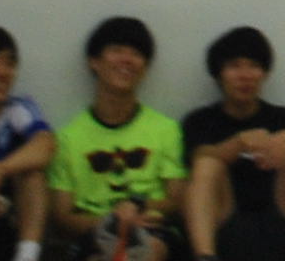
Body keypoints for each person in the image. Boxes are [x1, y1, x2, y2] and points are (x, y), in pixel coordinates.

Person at [45, 20, 184, 261]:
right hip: (95, 232)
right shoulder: (68, 138)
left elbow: (177, 198)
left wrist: (138, 207)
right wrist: (112, 221)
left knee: (146, 251)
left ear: (145, 67)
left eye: (136, 53)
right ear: (94, 62)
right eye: (117, 50)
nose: (126, 60)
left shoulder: (165, 129)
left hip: (151, 230)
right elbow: (62, 217)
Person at [180, 31, 285, 261]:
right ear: (219, 74)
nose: (245, 76)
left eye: (254, 66)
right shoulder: (200, 120)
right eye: (234, 66)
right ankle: (204, 257)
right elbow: (198, 157)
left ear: (264, 73)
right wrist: (238, 144)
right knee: (207, 163)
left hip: (279, 215)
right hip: (224, 219)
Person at [0, 25, 53, 261]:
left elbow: (45, 146)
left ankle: (27, 256)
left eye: (9, 64)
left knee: (32, 174)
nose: (2, 72)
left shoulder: (18, 108)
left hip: (4, 211)